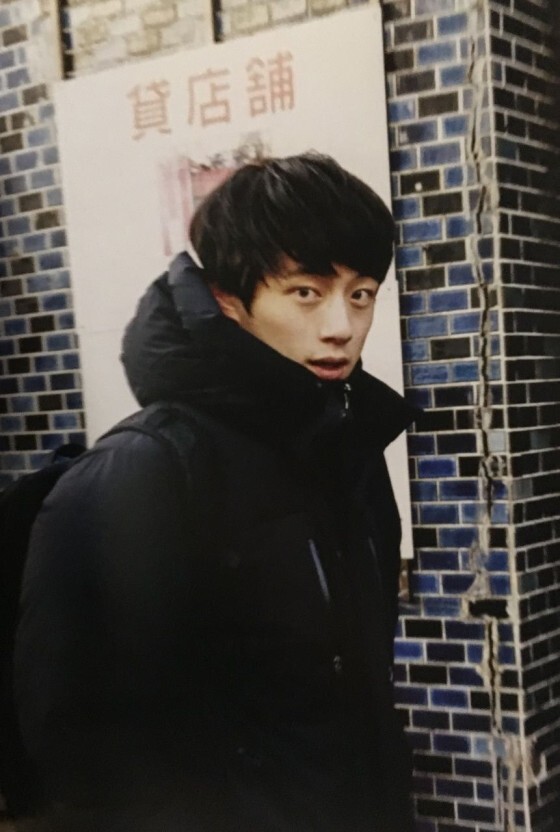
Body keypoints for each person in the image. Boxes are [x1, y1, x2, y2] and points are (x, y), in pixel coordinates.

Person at [14, 153, 417, 831]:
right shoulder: (146, 470)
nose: (341, 327)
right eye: (306, 293)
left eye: (361, 294)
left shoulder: (346, 448)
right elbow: (86, 754)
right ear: (230, 300)